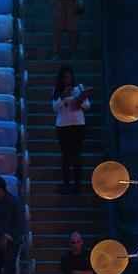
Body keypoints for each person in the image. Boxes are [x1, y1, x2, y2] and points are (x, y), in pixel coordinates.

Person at [52, 65, 92, 194]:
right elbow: (55, 108)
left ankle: (77, 185)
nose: (67, 80)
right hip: (63, 126)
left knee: (77, 155)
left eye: (69, 77)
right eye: (65, 77)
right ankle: (66, 184)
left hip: (78, 125)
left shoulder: (78, 88)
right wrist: (63, 97)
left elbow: (87, 106)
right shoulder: (57, 90)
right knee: (66, 156)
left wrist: (79, 100)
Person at [0, 177, 23, 274]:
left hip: (11, 240)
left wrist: (7, 236)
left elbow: (19, 224)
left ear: (0, 189)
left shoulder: (14, 202)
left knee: (8, 272)